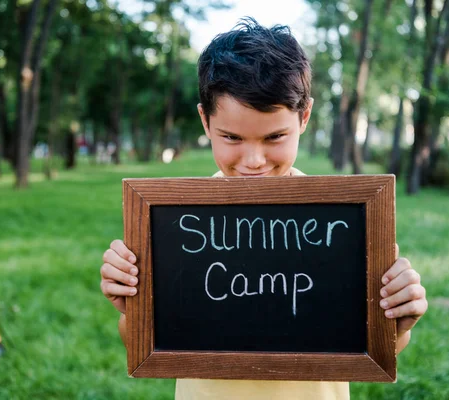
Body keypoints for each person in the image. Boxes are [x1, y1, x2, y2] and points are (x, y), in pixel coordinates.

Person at [100, 18, 428, 400]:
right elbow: (139, 342)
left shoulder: (345, 223)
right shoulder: (175, 228)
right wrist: (132, 308)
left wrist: (398, 324)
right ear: (206, 121)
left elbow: (376, 348)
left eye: (274, 137)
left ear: (303, 117)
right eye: (231, 137)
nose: (253, 160)